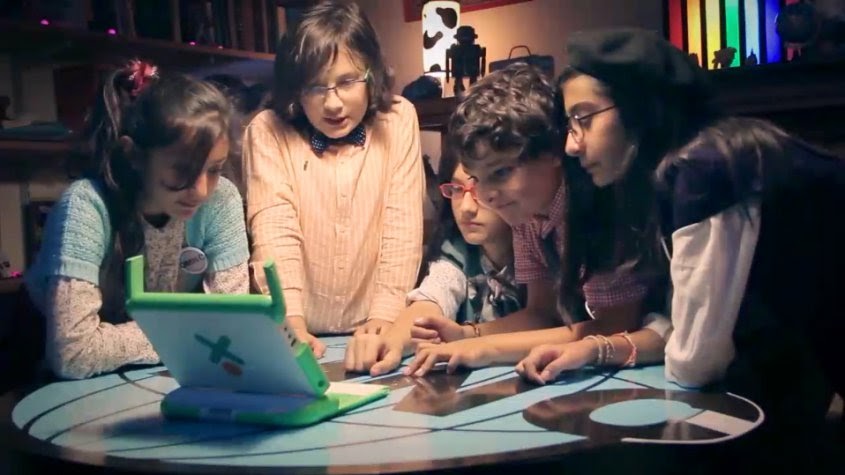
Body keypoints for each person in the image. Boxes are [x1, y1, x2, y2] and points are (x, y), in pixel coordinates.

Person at [519, 27, 844, 467]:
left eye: (585, 118)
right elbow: (684, 328)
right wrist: (593, 349)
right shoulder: (691, 165)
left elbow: (695, 361)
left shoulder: (704, 169)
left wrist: (642, 339)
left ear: (640, 107)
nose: (571, 145)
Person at [404, 63, 669, 377]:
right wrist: (467, 335)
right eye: (477, 178)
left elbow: (616, 323)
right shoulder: (527, 215)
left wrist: (486, 349)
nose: (486, 195)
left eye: (501, 172)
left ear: (554, 151)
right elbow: (542, 313)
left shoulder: (598, 206)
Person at [23, 60, 250, 380]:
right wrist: (190, 333)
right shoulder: (86, 205)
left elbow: (234, 324)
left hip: (162, 367)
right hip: (61, 379)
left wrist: (188, 336)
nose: (201, 190)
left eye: (214, 169)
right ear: (133, 156)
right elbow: (72, 352)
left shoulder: (221, 198)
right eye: (182, 169)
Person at [242, 1, 424, 358]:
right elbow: (274, 230)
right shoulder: (266, 130)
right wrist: (291, 324)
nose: (333, 104)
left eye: (347, 82)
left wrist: (386, 317)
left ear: (371, 73)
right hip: (297, 326)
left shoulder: (399, 119)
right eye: (314, 87)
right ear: (295, 89)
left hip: (373, 324)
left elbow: (402, 226)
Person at [344, 151, 523, 376]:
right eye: (457, 189)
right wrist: (391, 343)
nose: (466, 207)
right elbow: (431, 300)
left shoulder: (541, 248)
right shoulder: (458, 250)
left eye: (479, 188)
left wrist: (471, 336)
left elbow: (545, 318)